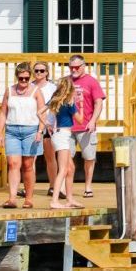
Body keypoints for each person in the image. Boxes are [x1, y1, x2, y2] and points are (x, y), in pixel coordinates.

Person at [0, 63, 45, 209]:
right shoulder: (9, 91)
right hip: (12, 130)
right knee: (13, 164)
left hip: (31, 130)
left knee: (28, 165)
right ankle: (12, 198)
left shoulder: (36, 91)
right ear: (17, 77)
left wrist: (40, 131)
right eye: (21, 78)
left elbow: (43, 112)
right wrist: (0, 132)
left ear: (30, 77)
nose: (23, 81)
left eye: (26, 78)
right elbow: (3, 112)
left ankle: (29, 198)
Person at [67, 55, 105, 198]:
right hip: (67, 127)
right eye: (71, 67)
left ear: (83, 66)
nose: (74, 69)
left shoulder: (91, 81)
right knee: (66, 158)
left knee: (89, 157)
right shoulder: (66, 81)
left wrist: (93, 120)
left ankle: (88, 186)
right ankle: (67, 188)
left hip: (86, 126)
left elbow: (99, 102)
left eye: (77, 67)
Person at [43, 75, 83, 209]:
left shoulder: (55, 100)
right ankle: (54, 200)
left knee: (71, 168)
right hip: (63, 136)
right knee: (63, 169)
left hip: (59, 134)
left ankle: (69, 199)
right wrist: (81, 105)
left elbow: (39, 112)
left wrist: (47, 124)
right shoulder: (69, 103)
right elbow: (80, 120)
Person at [32, 61, 58, 197]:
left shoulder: (53, 88)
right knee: (31, 158)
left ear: (47, 72)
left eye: (42, 71)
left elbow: (56, 106)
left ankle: (53, 186)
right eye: (36, 70)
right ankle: (29, 187)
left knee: (50, 157)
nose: (38, 73)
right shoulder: (29, 86)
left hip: (49, 125)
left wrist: (53, 123)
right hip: (33, 125)